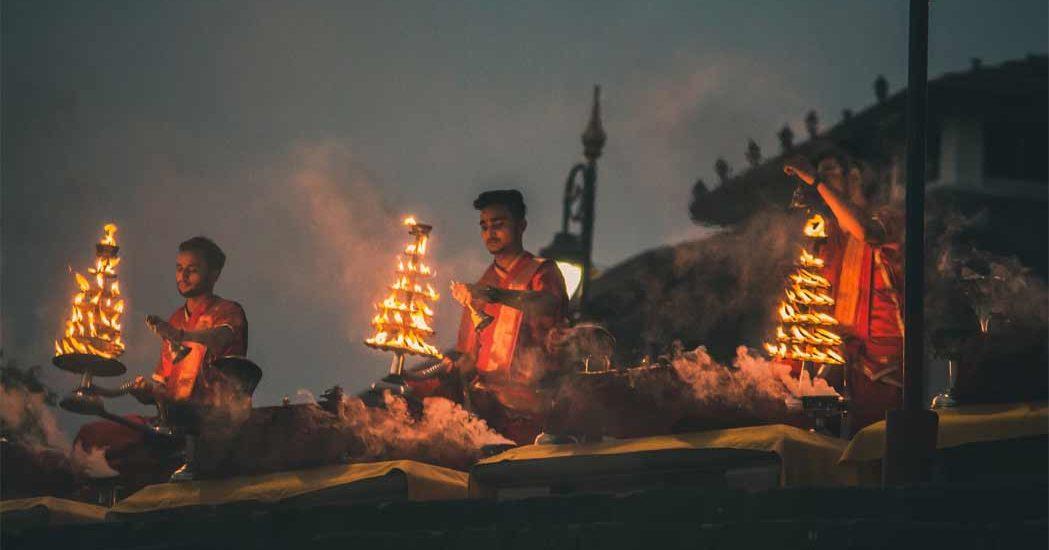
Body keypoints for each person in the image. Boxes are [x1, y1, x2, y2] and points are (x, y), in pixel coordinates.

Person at [73, 236, 248, 482]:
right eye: (179, 268)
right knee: (90, 438)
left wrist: (180, 335)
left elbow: (221, 338)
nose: (183, 276)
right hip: (169, 424)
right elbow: (163, 388)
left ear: (214, 274)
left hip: (208, 425)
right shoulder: (175, 319)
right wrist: (147, 392)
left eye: (193, 270)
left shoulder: (228, 311)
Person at [413, 190, 569, 444]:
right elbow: (469, 358)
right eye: (484, 227)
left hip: (535, 413)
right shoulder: (480, 287)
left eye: (498, 225)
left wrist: (496, 295)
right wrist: (440, 369)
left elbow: (548, 304)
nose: (490, 233)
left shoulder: (541, 271)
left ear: (521, 226)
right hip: (488, 415)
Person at [783, 149, 904, 431]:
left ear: (856, 177)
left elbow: (866, 231)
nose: (823, 180)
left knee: (874, 443)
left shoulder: (888, 219)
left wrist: (815, 181)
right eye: (821, 173)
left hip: (882, 368)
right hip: (841, 361)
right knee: (811, 425)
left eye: (830, 172)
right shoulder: (832, 233)